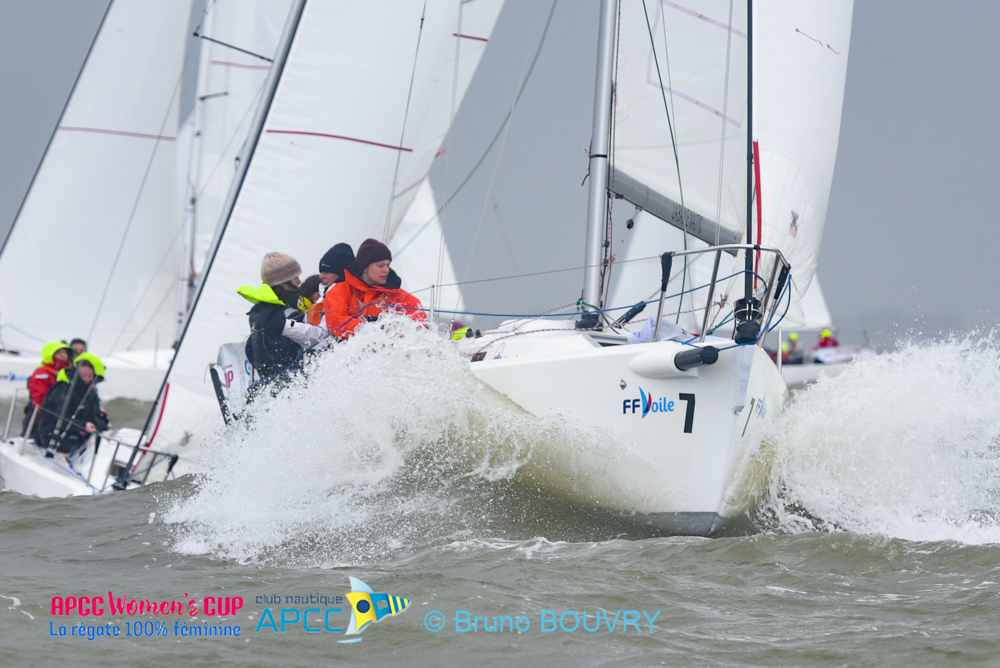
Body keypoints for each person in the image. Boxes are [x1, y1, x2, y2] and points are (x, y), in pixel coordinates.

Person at [236, 252, 327, 378]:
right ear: (282, 282)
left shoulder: (258, 312)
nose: (299, 281)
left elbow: (251, 350)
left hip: (269, 383)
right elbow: (316, 342)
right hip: (295, 382)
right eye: (295, 278)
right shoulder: (286, 314)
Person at [322, 238, 425, 339]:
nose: (386, 270)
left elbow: (420, 324)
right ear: (365, 267)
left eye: (388, 265)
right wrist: (374, 327)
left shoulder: (398, 295)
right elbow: (337, 324)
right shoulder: (339, 291)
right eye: (381, 266)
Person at [35, 352, 109, 455]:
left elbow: (93, 414)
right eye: (84, 376)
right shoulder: (62, 390)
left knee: (100, 443)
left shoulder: (90, 393)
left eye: (90, 376)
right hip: (51, 434)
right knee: (78, 445)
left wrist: (101, 421)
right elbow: (59, 418)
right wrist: (83, 426)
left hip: (76, 433)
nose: (87, 379)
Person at [22, 341, 72, 438]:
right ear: (50, 355)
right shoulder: (42, 373)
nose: (63, 355)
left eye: (65, 352)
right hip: (39, 421)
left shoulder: (69, 372)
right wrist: (51, 417)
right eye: (59, 353)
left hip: (62, 420)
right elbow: (39, 398)